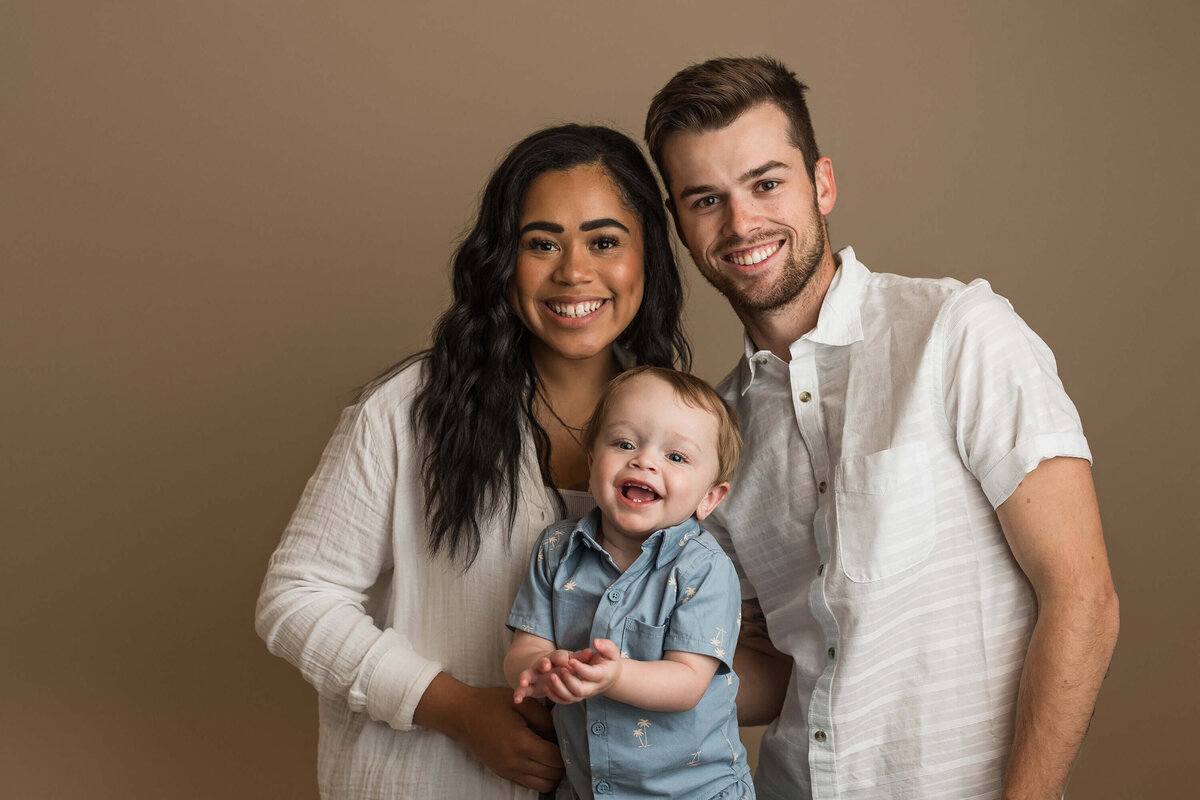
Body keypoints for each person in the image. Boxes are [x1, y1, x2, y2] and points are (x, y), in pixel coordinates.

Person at [642, 56, 1120, 800]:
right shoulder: (712, 431)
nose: (741, 224)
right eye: (706, 199)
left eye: (767, 183)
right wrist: (620, 685)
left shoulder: (958, 334)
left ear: (822, 183)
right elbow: (774, 667)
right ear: (679, 222)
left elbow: (1082, 596)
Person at [255, 124, 691, 799]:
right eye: (541, 243)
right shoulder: (407, 412)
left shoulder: (691, 433)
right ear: (501, 261)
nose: (574, 272)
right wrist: (456, 710)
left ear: (648, 259)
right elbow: (295, 600)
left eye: (605, 242)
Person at [505, 366, 753, 800]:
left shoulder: (703, 569)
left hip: (696, 791)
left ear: (709, 497)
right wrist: (540, 672)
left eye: (676, 457)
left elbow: (687, 682)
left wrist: (613, 677)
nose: (645, 460)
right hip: (587, 787)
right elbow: (526, 647)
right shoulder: (556, 549)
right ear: (591, 462)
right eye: (624, 443)